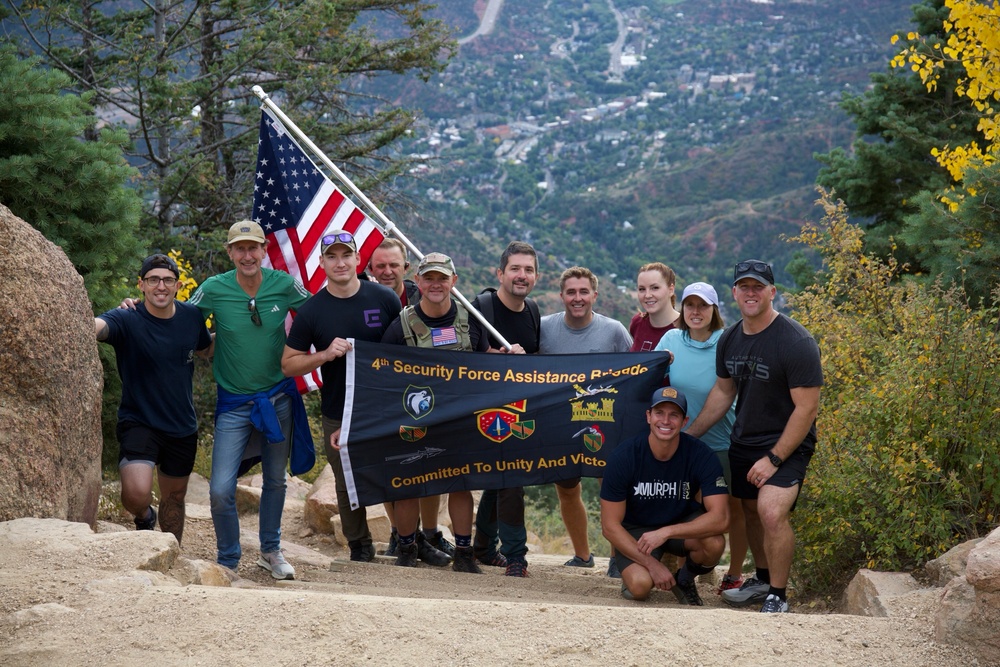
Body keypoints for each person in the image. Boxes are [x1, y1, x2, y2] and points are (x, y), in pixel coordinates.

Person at [686, 260, 823, 613]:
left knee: (771, 511)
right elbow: (722, 392)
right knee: (749, 512)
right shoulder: (730, 338)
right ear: (733, 293)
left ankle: (778, 594)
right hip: (744, 441)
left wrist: (774, 458)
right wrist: (689, 435)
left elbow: (806, 409)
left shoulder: (796, 341)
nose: (750, 293)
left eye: (758, 287)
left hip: (787, 444)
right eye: (744, 287)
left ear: (772, 292)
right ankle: (762, 579)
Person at [381, 252, 524, 572]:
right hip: (415, 419)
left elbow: (486, 359)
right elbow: (381, 371)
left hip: (459, 420)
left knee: (460, 484)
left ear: (453, 282)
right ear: (417, 281)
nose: (435, 284)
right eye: (428, 278)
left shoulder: (469, 319)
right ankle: (406, 549)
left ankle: (463, 553)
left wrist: (509, 358)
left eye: (442, 278)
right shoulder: (402, 324)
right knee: (408, 485)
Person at [187, 220, 313, 579]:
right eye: (239, 248)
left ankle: (271, 551)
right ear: (230, 253)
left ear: (264, 251)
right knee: (221, 489)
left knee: (275, 479)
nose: (247, 255)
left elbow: (318, 315)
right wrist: (137, 308)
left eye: (253, 247)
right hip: (234, 403)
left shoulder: (284, 285)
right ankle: (228, 558)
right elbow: (181, 320)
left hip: (278, 398)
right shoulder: (214, 288)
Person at [281, 230, 403, 563]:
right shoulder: (312, 311)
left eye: (346, 255)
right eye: (331, 257)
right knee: (348, 481)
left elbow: (406, 353)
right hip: (339, 411)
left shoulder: (385, 299)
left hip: (386, 406)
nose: (340, 263)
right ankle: (359, 547)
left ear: (357, 259)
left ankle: (405, 540)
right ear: (321, 263)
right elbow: (289, 365)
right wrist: (322, 355)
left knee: (397, 472)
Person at [96, 254, 213, 544]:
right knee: (136, 494)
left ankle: (171, 552)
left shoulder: (191, 317)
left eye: (167, 280)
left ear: (177, 285)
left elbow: (205, 349)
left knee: (174, 497)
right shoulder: (127, 317)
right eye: (153, 280)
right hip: (140, 421)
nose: (161, 286)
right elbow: (98, 326)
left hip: (182, 425)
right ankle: (145, 517)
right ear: (142, 285)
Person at [539, 266, 632, 573]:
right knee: (567, 489)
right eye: (571, 292)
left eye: (583, 292)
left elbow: (635, 372)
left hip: (605, 421)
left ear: (594, 295)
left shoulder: (614, 330)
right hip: (560, 423)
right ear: (561, 295)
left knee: (612, 488)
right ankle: (583, 555)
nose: (577, 298)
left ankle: (619, 557)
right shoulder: (543, 328)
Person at [655, 282, 746, 594]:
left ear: (714, 310)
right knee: (687, 505)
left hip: (725, 441)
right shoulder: (670, 339)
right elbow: (645, 376)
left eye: (703, 306)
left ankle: (732, 573)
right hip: (684, 442)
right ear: (681, 308)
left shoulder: (728, 341)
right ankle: (689, 568)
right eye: (689, 305)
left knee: (733, 509)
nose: (695, 312)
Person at [600, 387, 729, 604]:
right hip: (637, 531)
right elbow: (609, 526)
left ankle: (685, 578)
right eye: (659, 413)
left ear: (685, 421)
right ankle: (639, 570)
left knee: (714, 544)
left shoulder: (701, 455)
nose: (666, 421)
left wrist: (667, 532)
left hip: (679, 526)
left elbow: (721, 518)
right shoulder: (624, 456)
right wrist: (652, 565)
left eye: (674, 415)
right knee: (640, 587)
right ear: (648, 416)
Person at [367, 238, 453, 559]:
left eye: (394, 265)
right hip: (381, 395)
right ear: (370, 269)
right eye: (380, 266)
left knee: (430, 467)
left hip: (427, 398)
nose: (388, 272)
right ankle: (399, 533)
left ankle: (429, 534)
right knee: (393, 470)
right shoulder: (365, 298)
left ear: (407, 270)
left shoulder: (424, 295)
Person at [471, 241, 542, 577]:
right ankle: (516, 556)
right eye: (515, 268)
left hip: (519, 409)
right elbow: (464, 359)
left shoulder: (533, 312)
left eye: (528, 270)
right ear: (500, 273)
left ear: (536, 276)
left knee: (500, 479)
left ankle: (483, 547)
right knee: (511, 476)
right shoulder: (481, 308)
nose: (521, 275)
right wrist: (502, 359)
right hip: (485, 410)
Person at [629, 262, 680, 352]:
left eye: (655, 288)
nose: (647, 295)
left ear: (671, 289)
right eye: (642, 289)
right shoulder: (637, 323)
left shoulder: (686, 328)